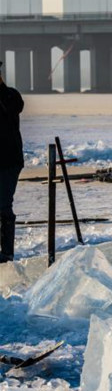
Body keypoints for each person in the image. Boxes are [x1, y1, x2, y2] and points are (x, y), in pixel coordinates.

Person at [0, 64, 25, 263]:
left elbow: (16, 107)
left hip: (9, 161)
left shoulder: (10, 96)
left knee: (3, 205)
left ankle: (7, 253)